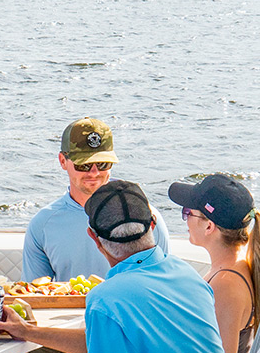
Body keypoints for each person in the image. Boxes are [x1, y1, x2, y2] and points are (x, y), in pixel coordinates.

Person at [0, 180, 233, 353]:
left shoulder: (107, 300)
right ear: (152, 223)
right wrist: (27, 332)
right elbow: (102, 342)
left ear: (94, 238)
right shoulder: (188, 275)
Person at [22, 117, 170, 283]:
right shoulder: (42, 225)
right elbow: (33, 293)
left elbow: (162, 283)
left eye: (102, 164)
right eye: (83, 165)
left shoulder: (146, 217)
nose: (94, 172)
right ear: (63, 161)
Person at [168, 173, 260, 353]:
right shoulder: (234, 268)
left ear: (209, 226)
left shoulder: (226, 285)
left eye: (187, 213)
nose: (185, 220)